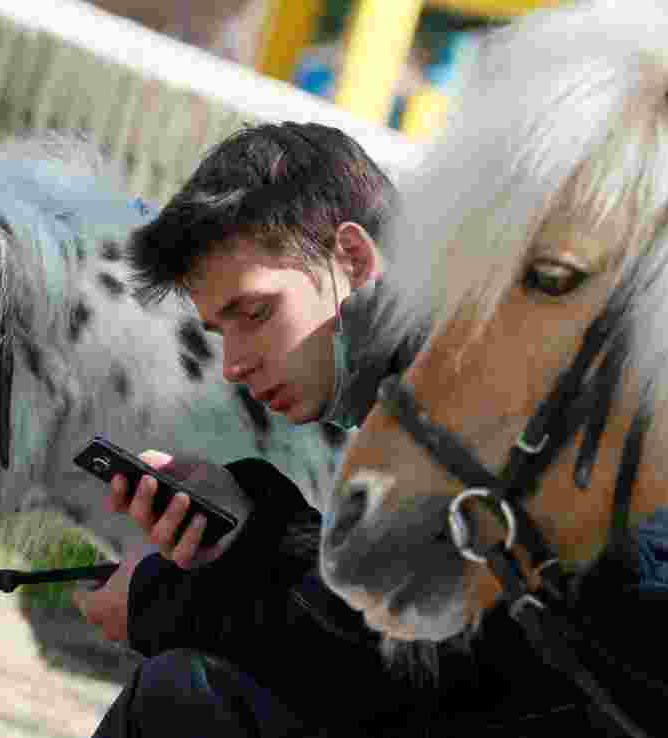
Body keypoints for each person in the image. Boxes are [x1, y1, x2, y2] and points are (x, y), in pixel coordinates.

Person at [71, 121, 602, 738]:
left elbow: (417, 676)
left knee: (182, 699)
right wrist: (246, 523)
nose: (235, 363)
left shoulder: (480, 395)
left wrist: (164, 602)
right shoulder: (432, 377)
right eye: (221, 332)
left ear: (352, 258)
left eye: (255, 313)